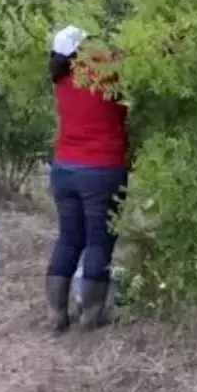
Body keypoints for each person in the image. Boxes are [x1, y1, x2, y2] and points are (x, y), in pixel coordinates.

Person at [44, 25, 129, 331]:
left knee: (69, 238)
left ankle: (56, 314)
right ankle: (92, 314)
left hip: (64, 169)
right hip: (101, 169)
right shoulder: (104, 72)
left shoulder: (60, 78)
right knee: (98, 241)